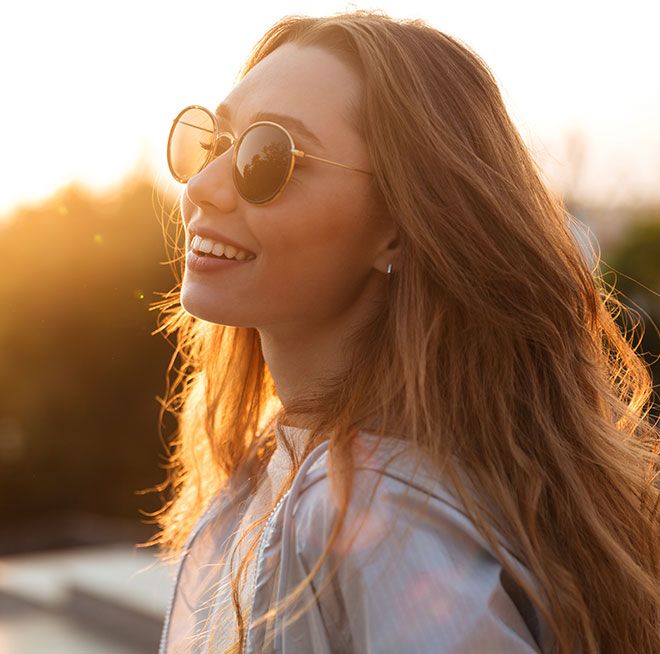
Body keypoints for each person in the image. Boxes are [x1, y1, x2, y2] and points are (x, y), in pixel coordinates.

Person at [142, 10, 660, 654]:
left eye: (268, 155)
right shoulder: (301, 468)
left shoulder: (374, 513)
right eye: (216, 142)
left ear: (398, 223)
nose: (203, 185)